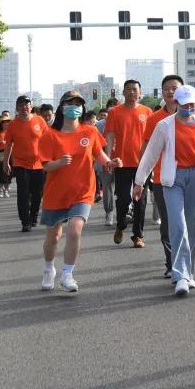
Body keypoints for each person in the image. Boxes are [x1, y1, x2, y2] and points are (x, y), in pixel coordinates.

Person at [38, 90, 120, 292]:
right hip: (56, 192)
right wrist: (58, 163)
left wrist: (109, 163)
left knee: (74, 230)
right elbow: (45, 166)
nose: (75, 106)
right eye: (70, 103)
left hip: (82, 190)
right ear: (62, 107)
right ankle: (49, 268)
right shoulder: (50, 135)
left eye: (78, 104)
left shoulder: (90, 132)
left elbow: (98, 153)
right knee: (53, 237)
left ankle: (67, 274)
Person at [134, 85, 195, 296]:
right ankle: (180, 275)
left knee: (192, 224)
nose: (190, 108)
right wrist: (139, 181)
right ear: (176, 104)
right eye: (186, 104)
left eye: (193, 104)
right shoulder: (164, 125)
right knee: (177, 225)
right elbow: (151, 154)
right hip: (172, 178)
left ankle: (189, 272)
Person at [138, 74, 183, 276]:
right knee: (168, 222)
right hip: (163, 180)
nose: (170, 91)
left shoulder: (194, 117)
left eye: (174, 88)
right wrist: (140, 177)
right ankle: (172, 264)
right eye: (166, 88)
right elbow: (148, 150)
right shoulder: (154, 119)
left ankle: (185, 263)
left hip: (188, 178)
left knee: (188, 223)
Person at [107, 80, 152, 242]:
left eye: (135, 89)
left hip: (143, 163)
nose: (132, 92)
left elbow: (152, 139)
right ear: (123, 92)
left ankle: (138, 235)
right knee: (124, 198)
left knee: (140, 200)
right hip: (122, 162)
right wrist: (108, 159)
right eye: (128, 89)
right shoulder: (114, 112)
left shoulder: (147, 112)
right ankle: (120, 225)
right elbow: (110, 136)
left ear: (140, 93)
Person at [4, 95, 49, 232]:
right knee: (23, 193)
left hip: (39, 164)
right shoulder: (13, 124)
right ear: (17, 108)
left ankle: (34, 215)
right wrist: (6, 162)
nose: (24, 107)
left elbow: (48, 140)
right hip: (20, 164)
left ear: (31, 106)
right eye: (21, 104)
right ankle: (25, 221)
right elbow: (9, 145)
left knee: (37, 193)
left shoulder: (39, 121)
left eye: (27, 104)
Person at [0, 118, 11, 197]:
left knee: (7, 173)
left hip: (9, 153)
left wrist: (7, 143)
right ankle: (1, 190)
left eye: (8, 123)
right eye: (4, 123)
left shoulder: (11, 132)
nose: (6, 125)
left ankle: (6, 190)